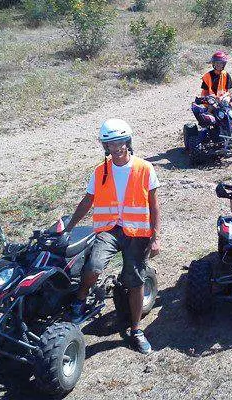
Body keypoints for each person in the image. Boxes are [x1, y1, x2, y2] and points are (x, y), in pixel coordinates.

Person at [64, 118, 160, 354]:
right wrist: (69, 226)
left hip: (136, 232)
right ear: (105, 146)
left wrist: (156, 237)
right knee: (94, 266)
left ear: (128, 142)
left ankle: (136, 330)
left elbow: (154, 206)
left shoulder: (145, 168)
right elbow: (88, 200)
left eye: (120, 142)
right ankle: (80, 301)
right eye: (110, 144)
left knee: (135, 279)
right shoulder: (100, 171)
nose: (116, 148)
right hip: (109, 230)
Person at [191, 50, 232, 133]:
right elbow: (205, 91)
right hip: (211, 99)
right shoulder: (207, 76)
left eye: (221, 63)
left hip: (224, 99)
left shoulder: (226, 75)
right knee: (210, 112)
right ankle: (206, 129)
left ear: (224, 64)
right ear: (213, 64)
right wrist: (205, 99)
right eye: (217, 63)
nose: (219, 65)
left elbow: (229, 90)